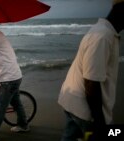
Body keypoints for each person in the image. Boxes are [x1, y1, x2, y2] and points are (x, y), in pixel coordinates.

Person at [58, 0, 124, 141]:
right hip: (84, 109)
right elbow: (91, 82)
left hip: (74, 102)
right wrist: (100, 122)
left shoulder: (103, 32)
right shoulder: (102, 36)